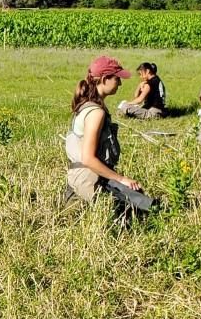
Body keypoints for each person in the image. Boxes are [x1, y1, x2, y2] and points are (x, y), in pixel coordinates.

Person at [65, 56, 154, 218]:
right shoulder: (96, 112)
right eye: (117, 79)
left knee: (139, 202)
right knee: (144, 212)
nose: (120, 83)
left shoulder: (86, 105)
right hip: (89, 178)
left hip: (80, 177)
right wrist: (122, 179)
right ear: (105, 79)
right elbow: (88, 159)